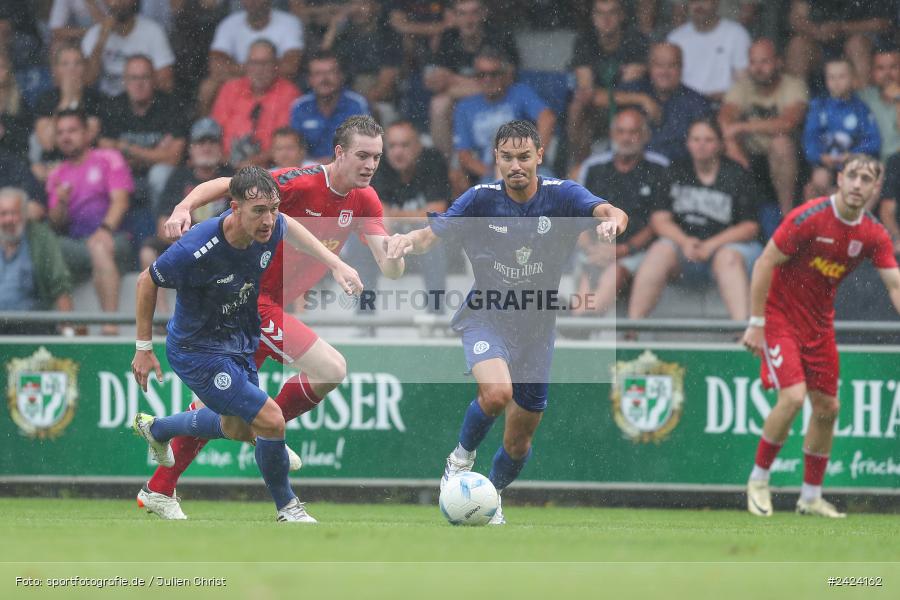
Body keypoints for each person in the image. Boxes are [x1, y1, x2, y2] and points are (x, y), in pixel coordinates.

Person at [135, 115, 406, 519]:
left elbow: (389, 266)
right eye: (362, 155)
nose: (370, 165)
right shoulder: (300, 182)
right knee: (330, 369)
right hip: (254, 303)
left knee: (226, 418)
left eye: (377, 157)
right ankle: (268, 434)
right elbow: (230, 185)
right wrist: (184, 205)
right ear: (339, 153)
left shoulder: (365, 201)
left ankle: (160, 484)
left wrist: (398, 253)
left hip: (260, 311)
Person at [384, 120, 628, 524]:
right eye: (508, 157)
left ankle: (490, 496)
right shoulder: (480, 199)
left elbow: (610, 211)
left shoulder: (562, 195)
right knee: (497, 393)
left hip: (536, 329)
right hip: (487, 316)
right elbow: (431, 234)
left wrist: (612, 223)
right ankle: (459, 461)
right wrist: (407, 241)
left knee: (518, 442)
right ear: (496, 158)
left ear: (539, 156)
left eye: (524, 157)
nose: (516, 165)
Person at [742, 154, 900, 518]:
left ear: (876, 189)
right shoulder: (809, 218)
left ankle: (811, 497)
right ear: (840, 179)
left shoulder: (873, 234)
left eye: (867, 180)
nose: (858, 185)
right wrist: (756, 322)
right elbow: (764, 262)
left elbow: (894, 284)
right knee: (793, 397)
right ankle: (758, 480)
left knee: (828, 408)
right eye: (853, 176)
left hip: (819, 325)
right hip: (779, 317)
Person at [627, 117, 761, 322]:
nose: (701, 145)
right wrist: (685, 242)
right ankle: (632, 329)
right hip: (684, 249)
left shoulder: (737, 174)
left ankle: (741, 331)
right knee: (659, 251)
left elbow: (750, 227)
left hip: (728, 249)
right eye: (696, 139)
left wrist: (711, 245)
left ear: (720, 144)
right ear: (688, 143)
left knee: (727, 258)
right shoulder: (674, 171)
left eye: (708, 140)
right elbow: (659, 220)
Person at [573, 109, 665, 318]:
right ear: (612, 134)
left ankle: (582, 321)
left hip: (639, 252)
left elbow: (658, 222)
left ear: (645, 135)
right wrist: (590, 248)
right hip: (595, 250)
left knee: (616, 270)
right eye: (621, 131)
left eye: (633, 132)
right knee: (589, 269)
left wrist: (622, 250)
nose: (626, 138)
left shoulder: (659, 168)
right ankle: (580, 320)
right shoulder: (593, 167)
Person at [47, 109, 132, 336]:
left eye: (72, 130)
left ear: (87, 133)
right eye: (60, 132)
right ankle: (71, 328)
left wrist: (104, 230)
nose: (66, 137)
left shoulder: (108, 158)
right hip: (77, 245)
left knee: (99, 246)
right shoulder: (56, 174)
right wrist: (61, 202)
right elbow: (56, 223)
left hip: (116, 239)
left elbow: (120, 201)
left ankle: (110, 327)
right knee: (48, 246)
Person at [719, 39, 809, 217]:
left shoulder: (793, 85)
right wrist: (731, 143)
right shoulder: (742, 86)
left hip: (790, 159)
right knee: (727, 142)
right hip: (751, 157)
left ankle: (786, 217)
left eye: (764, 62)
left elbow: (787, 123)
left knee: (780, 144)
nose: (758, 68)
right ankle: (740, 218)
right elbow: (725, 118)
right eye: (753, 62)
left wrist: (742, 127)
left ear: (778, 62)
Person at [424, 0, 518, 158]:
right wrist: (481, 82)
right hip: (462, 99)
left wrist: (453, 80)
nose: (469, 19)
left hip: (496, 98)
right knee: (438, 104)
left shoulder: (499, 35)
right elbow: (433, 82)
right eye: (462, 13)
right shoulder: (448, 37)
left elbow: (506, 80)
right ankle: (449, 163)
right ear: (454, 16)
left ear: (484, 13)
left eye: (474, 12)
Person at [453, 47, 555, 191]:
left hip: (529, 168)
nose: (488, 80)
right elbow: (464, 156)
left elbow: (547, 118)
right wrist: (494, 173)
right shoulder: (464, 107)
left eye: (494, 74)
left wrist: (534, 157)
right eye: (481, 74)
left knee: (551, 190)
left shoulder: (520, 93)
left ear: (505, 75)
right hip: (490, 174)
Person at [99, 54, 187, 219]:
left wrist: (125, 148)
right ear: (124, 81)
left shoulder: (171, 106)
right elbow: (105, 149)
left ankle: (162, 227)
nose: (139, 84)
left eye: (144, 77)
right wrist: (154, 155)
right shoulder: (113, 106)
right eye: (133, 78)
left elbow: (173, 157)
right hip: (125, 173)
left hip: (159, 177)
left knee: (159, 173)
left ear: (154, 80)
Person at [566, 0, 649, 166]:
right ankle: (581, 167)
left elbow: (629, 86)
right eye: (600, 13)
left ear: (621, 15)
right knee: (577, 106)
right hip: (602, 109)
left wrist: (607, 95)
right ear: (593, 17)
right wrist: (640, 98)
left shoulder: (635, 40)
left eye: (612, 12)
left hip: (628, 107)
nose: (606, 19)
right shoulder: (585, 41)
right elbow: (587, 93)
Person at [199, 0, 303, 115]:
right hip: (239, 82)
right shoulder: (229, 23)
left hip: (275, 81)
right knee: (208, 87)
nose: (253, 2)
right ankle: (207, 126)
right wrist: (256, 71)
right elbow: (216, 66)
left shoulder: (289, 23)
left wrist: (252, 70)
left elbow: (289, 68)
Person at [210, 39, 300, 168]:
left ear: (276, 65)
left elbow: (286, 142)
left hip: (270, 168)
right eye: (254, 63)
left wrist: (252, 164)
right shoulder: (230, 88)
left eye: (265, 63)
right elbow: (214, 132)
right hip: (225, 166)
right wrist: (229, 161)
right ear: (246, 65)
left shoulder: (289, 93)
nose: (259, 70)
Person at [618, 42, 711, 164]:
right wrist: (641, 99)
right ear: (649, 67)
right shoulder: (637, 89)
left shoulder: (697, 102)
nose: (664, 72)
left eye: (672, 66)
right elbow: (599, 97)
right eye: (659, 65)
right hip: (636, 167)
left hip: (677, 168)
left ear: (681, 68)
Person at [802, 58, 880, 200]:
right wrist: (820, 156)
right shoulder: (818, 107)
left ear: (852, 78)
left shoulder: (861, 108)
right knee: (818, 180)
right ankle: (822, 214)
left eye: (842, 76)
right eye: (831, 77)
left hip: (853, 165)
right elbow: (809, 138)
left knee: (861, 180)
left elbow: (873, 141)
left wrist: (853, 155)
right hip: (825, 164)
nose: (836, 82)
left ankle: (850, 213)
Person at [0, 187, 73, 335]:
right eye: (3, 214)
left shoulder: (41, 238)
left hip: (29, 324)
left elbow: (60, 284)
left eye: (14, 213)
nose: (9, 219)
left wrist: (68, 330)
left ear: (25, 214)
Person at [289, 51, 370, 165]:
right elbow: (292, 148)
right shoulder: (299, 106)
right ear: (309, 79)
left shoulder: (357, 104)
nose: (324, 79)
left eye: (330, 72)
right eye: (318, 74)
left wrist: (332, 163)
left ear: (341, 76)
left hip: (349, 167)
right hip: (309, 170)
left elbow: (366, 145)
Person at [81, 0, 175, 97]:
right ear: (105, 2)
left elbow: (166, 83)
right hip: (107, 100)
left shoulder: (153, 31)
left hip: (142, 99)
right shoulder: (94, 34)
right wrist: (102, 39)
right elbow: (87, 80)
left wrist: (138, 81)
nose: (120, 1)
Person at [666, 0, 751, 103]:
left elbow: (743, 80)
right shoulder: (675, 38)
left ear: (716, 2)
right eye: (693, 1)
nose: (699, 5)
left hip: (725, 103)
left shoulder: (737, 34)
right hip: (686, 105)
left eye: (704, 1)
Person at [858, 46, 900, 161]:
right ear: (872, 72)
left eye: (893, 67)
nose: (887, 73)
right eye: (880, 68)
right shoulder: (863, 96)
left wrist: (898, 99)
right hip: (871, 163)